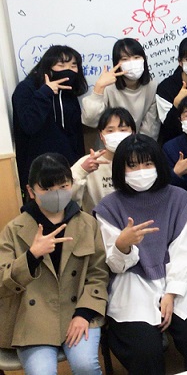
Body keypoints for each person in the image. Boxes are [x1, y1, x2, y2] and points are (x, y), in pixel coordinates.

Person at [94, 134, 187, 374]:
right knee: (144, 350)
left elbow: (186, 250)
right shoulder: (109, 207)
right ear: (120, 170)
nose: (141, 171)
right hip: (133, 281)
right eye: (132, 165)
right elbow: (115, 265)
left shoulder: (179, 198)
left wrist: (171, 292)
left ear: (158, 165)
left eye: (147, 163)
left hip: (180, 278)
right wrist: (123, 245)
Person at [0, 153, 108, 375]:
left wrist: (84, 314)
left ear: (71, 185)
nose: (56, 193)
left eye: (63, 186)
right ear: (31, 191)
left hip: (78, 311)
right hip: (32, 320)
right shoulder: (13, 229)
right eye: (47, 189)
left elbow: (98, 274)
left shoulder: (88, 224)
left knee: (86, 365)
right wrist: (31, 256)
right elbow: (2, 283)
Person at [13, 45, 87, 200]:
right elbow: (29, 125)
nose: (68, 70)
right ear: (47, 66)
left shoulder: (69, 92)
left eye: (73, 66)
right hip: (38, 171)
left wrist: (80, 164)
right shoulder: (26, 89)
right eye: (61, 65)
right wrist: (45, 92)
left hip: (68, 169)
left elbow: (75, 133)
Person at [81, 38, 160, 140]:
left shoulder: (152, 86)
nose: (132, 63)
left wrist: (138, 146)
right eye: (125, 59)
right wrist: (99, 88)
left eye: (136, 57)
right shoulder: (108, 86)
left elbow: (150, 129)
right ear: (117, 63)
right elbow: (90, 120)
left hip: (138, 144)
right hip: (109, 143)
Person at [72, 107, 136, 213]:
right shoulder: (87, 162)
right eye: (110, 131)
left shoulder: (143, 161)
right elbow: (67, 197)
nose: (116, 134)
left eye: (123, 130)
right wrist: (82, 171)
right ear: (101, 135)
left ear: (133, 133)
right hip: (97, 221)